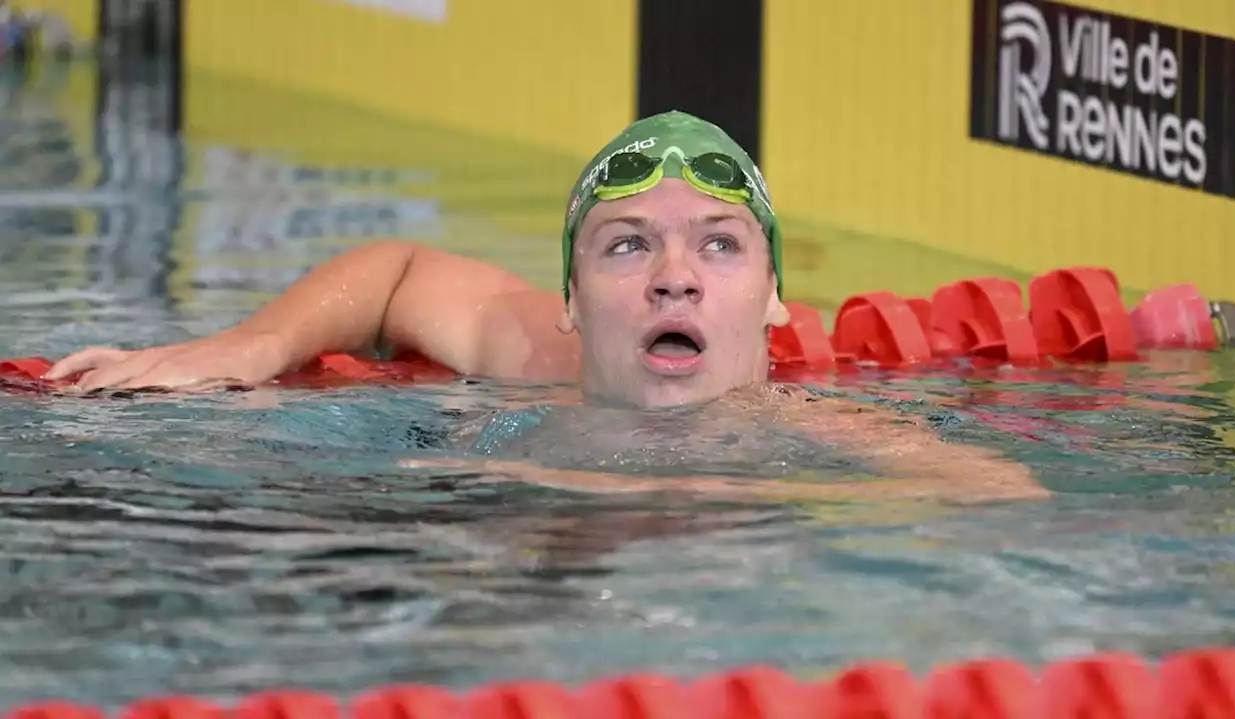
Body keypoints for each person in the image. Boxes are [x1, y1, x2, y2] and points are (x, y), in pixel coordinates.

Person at [46, 110, 1048, 503]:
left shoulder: (833, 435)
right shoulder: (534, 356)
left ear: (776, 301)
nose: (673, 274)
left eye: (718, 242)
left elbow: (1006, 500)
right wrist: (250, 346)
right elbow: (395, 270)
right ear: (569, 301)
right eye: (626, 244)